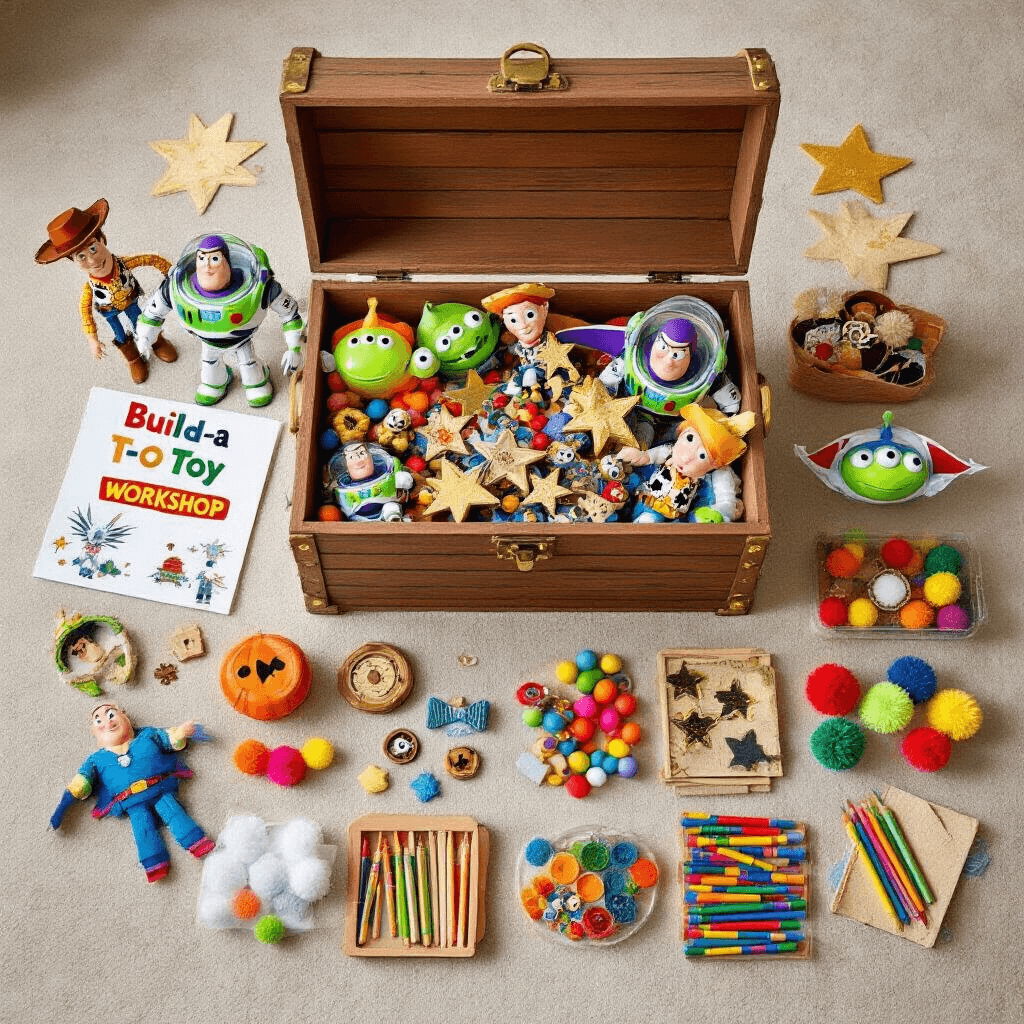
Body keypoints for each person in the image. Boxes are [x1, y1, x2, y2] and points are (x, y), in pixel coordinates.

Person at [49, 704, 213, 883]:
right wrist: (61, 810)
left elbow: (169, 738)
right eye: (99, 721)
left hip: (160, 789)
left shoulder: (147, 736)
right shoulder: (96, 760)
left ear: (125, 717)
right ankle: (154, 864)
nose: (108, 723)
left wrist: (182, 732)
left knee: (174, 813)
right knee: (142, 830)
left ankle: (196, 842)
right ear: (94, 732)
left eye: (111, 714)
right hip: (132, 803)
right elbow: (80, 784)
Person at [136, 233, 303, 407]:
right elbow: (152, 314)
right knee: (209, 363)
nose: (207, 265)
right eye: (202, 258)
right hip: (207, 342)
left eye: (214, 258)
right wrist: (144, 338)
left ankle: (257, 383)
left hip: (241, 340)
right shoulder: (175, 287)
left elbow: (290, 314)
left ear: (227, 261)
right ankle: (214, 384)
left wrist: (294, 348)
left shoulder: (259, 287)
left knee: (248, 363)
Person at [34, 199, 178, 384]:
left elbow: (150, 259)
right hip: (109, 312)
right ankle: (133, 359)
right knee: (119, 335)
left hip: (130, 300)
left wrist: (172, 275)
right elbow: (85, 312)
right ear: (73, 261)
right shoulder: (89, 289)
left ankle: (156, 341)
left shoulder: (124, 264)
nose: (93, 261)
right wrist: (92, 340)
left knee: (142, 322)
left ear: (102, 239)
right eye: (81, 257)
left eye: (93, 248)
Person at [619, 404, 754, 523]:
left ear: (714, 465)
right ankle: (646, 520)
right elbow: (650, 456)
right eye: (689, 438)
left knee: (698, 513)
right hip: (652, 499)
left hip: (680, 511)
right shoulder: (669, 451)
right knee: (649, 518)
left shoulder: (709, 477)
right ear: (682, 433)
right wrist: (641, 456)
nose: (685, 458)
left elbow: (720, 497)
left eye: (702, 455)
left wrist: (724, 510)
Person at [481, 283, 556, 400]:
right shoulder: (515, 348)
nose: (523, 325)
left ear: (544, 309)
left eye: (530, 315)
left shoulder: (551, 343)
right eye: (513, 320)